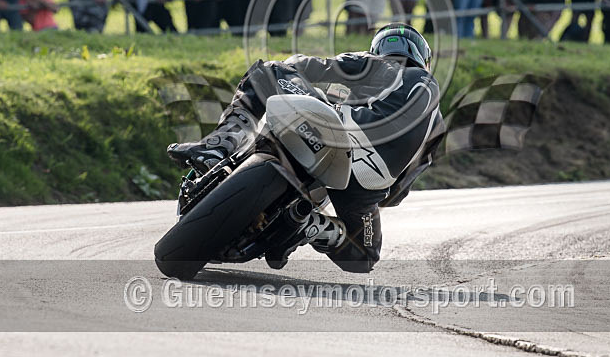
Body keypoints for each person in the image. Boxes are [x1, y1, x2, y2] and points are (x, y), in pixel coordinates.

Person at [166, 22, 444, 273]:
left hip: (339, 131)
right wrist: (369, 197)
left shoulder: (378, 64)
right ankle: (311, 224)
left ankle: (217, 147)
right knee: (365, 256)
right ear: (423, 58)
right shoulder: (436, 124)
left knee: (268, 72)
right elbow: (398, 192)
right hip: (371, 182)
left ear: (378, 48)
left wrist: (295, 76)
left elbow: (309, 66)